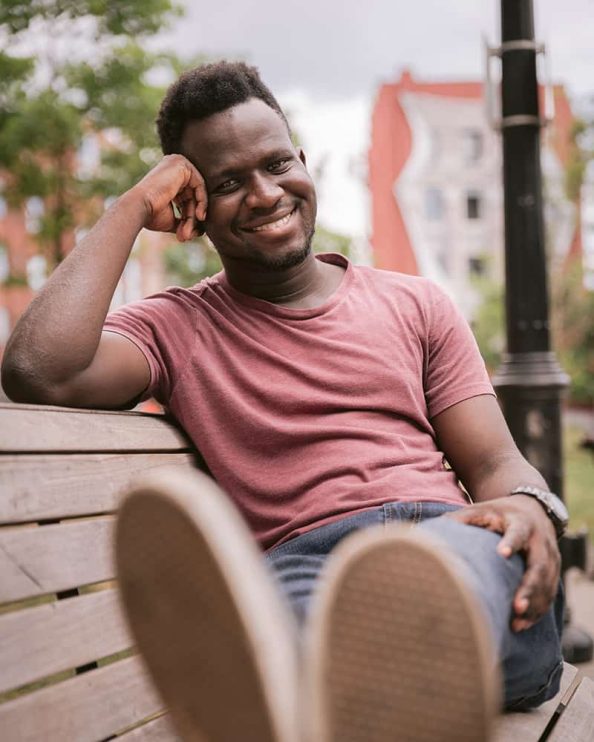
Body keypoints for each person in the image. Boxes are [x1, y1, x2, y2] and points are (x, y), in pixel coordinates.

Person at [1, 62, 566, 742]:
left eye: (276, 165)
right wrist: (128, 206)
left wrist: (529, 507)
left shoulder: (415, 303)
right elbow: (37, 370)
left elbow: (496, 463)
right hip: (305, 567)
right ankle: (330, 687)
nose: (265, 194)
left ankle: (339, 675)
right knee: (293, 625)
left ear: (304, 162)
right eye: (228, 183)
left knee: (447, 570)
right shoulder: (174, 328)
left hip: (451, 544)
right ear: (191, 206)